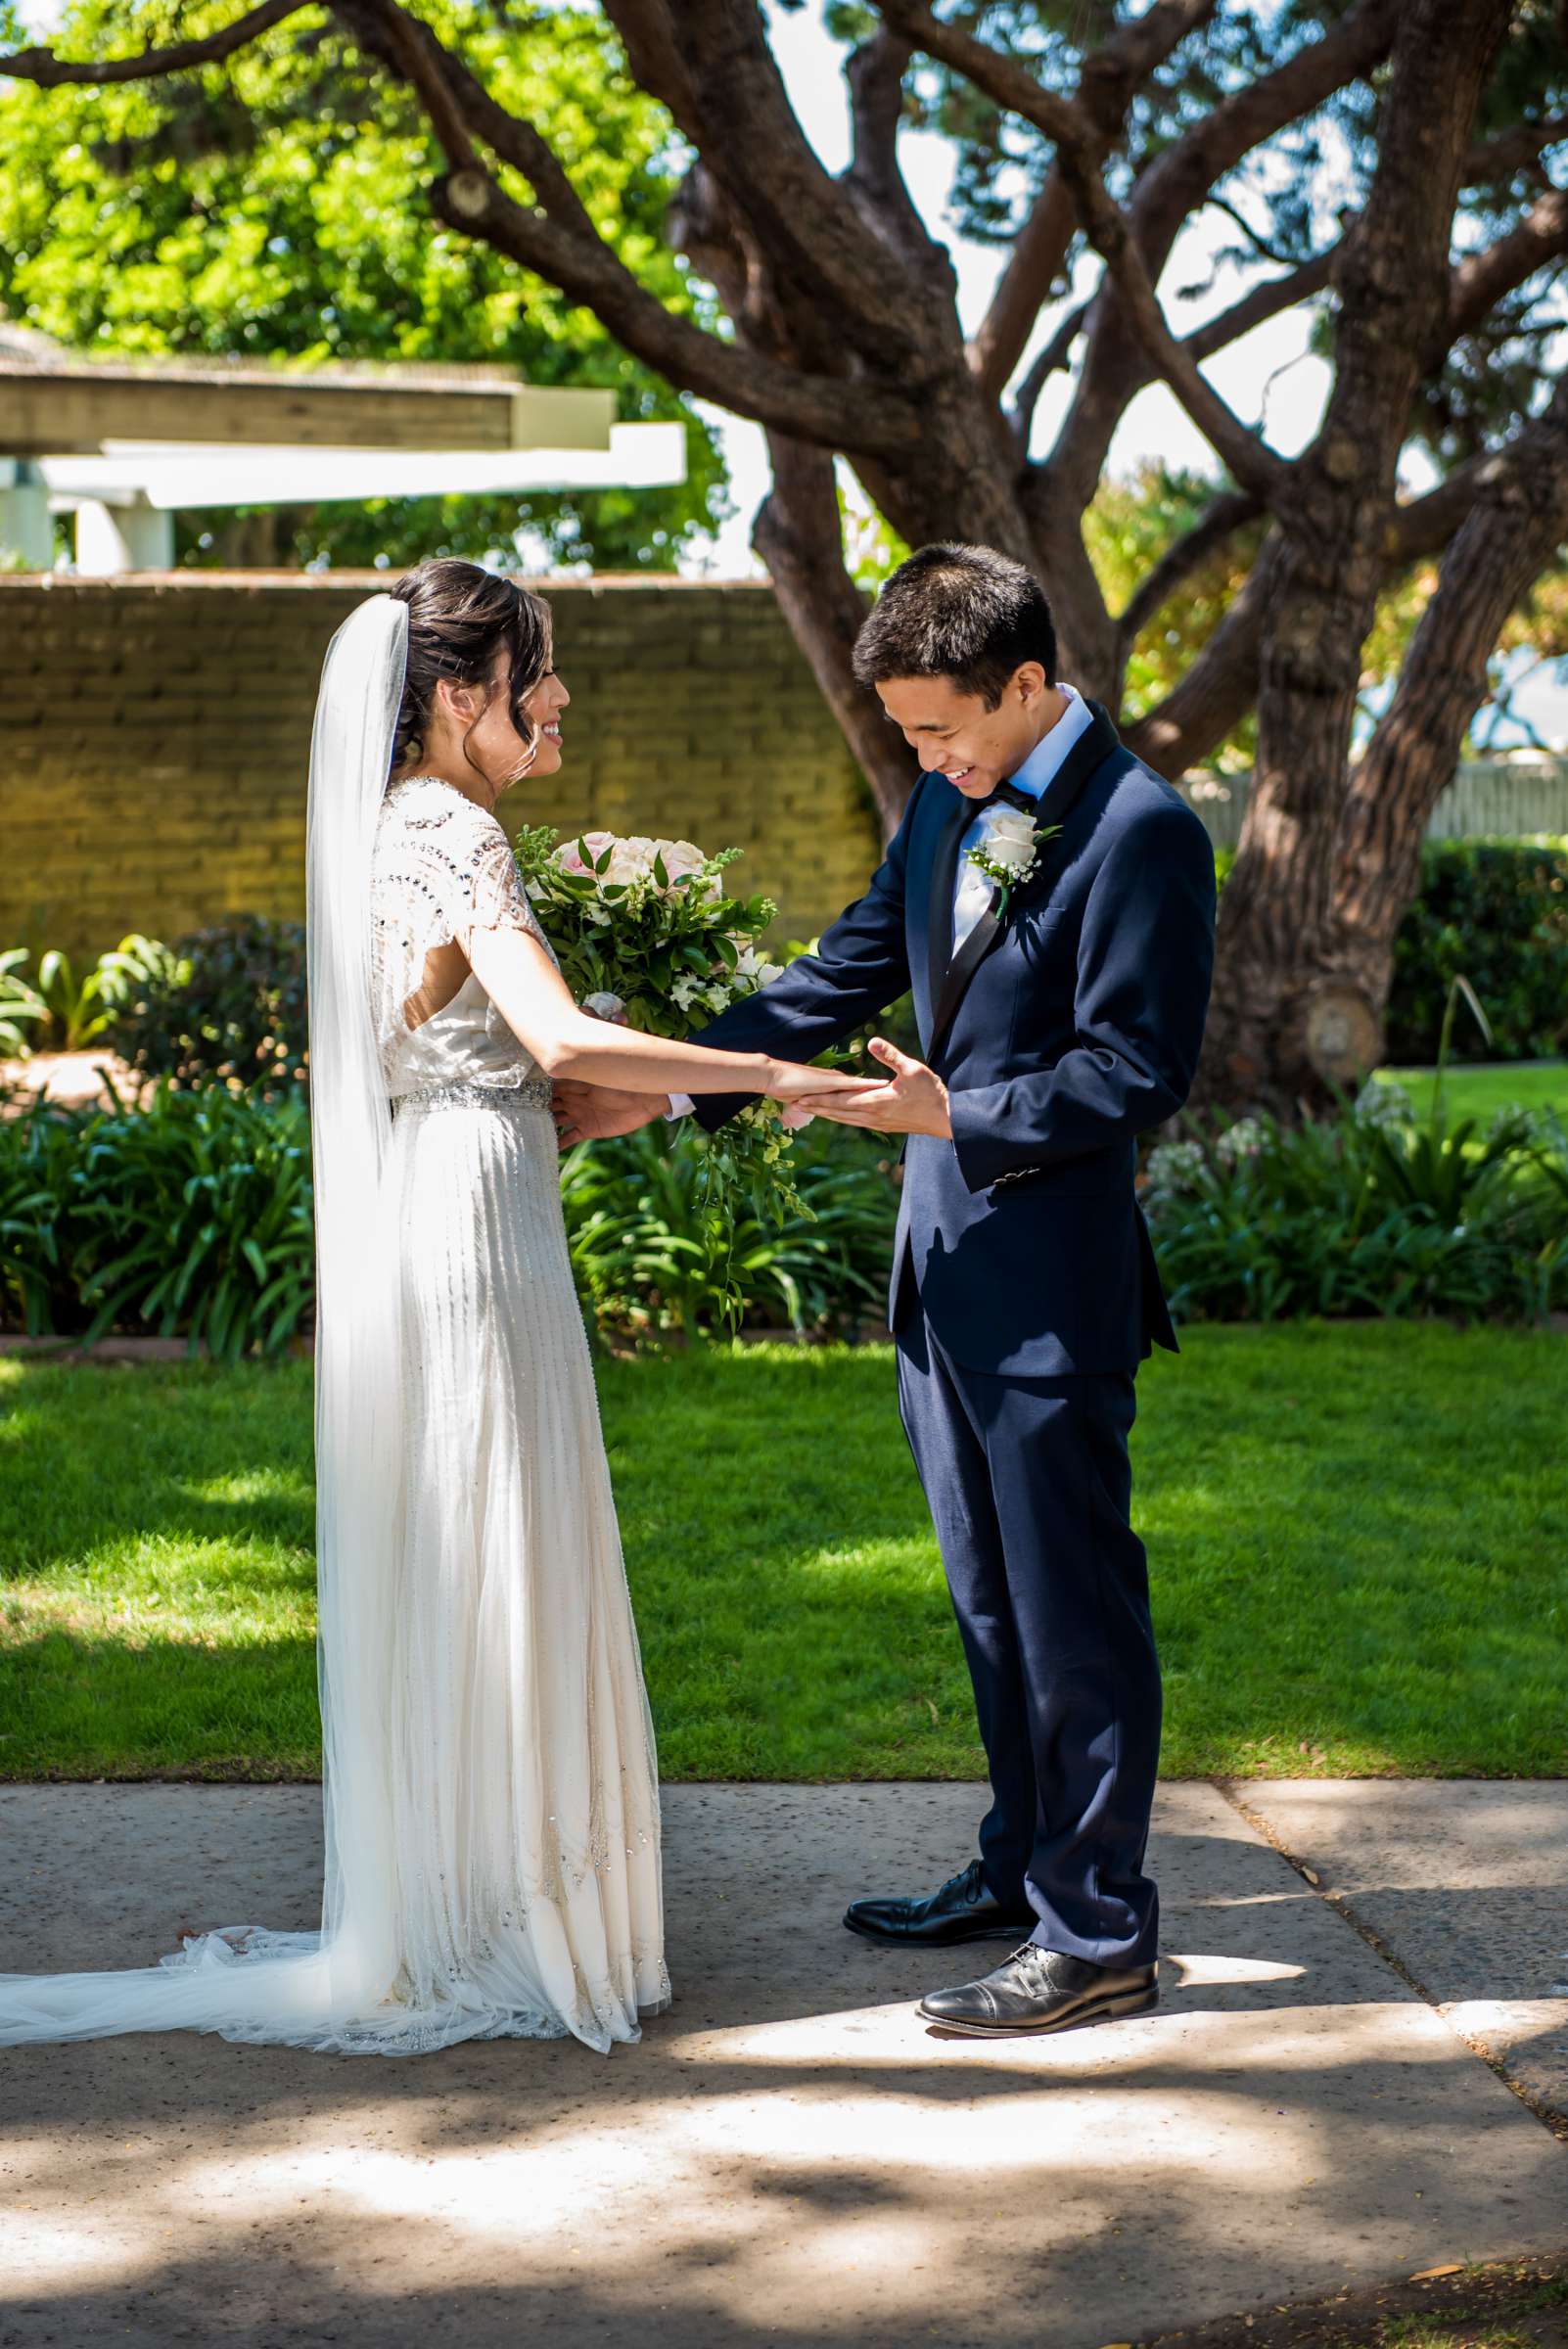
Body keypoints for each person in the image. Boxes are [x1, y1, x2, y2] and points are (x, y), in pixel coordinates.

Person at [0, 558, 863, 2058]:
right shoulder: (457, 831)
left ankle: (473, 1903)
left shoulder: (384, 827)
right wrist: (771, 1070)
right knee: (506, 1533)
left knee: (475, 1539)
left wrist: (607, 1104)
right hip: (477, 1216)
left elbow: (473, 1050)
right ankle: (516, 1925)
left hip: (444, 1191)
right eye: (540, 670)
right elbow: (553, 1030)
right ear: (460, 694)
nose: (561, 696)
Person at [557, 542, 1217, 2038]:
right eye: (912, 734)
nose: (924, 757)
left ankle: (1099, 1934)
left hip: (1051, 1292)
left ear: (1029, 684)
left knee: (1074, 1619)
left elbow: (1136, 1071)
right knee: (992, 1613)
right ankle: (1019, 1872)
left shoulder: (1142, 833)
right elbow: (843, 969)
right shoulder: (947, 803)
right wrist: (664, 1094)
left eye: (941, 729)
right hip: (939, 1277)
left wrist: (950, 1117)